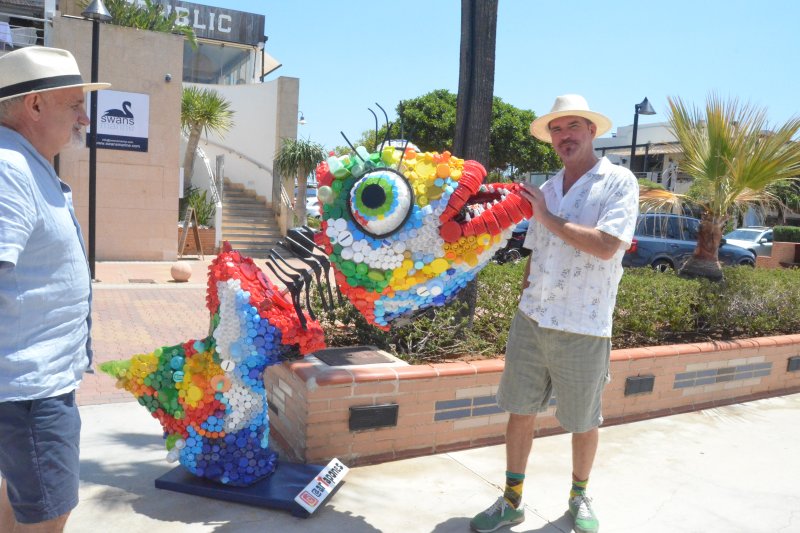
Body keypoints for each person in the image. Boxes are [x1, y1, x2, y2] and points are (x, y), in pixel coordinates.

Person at [470, 94, 639, 533]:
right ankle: (512, 500)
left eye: (573, 128)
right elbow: (534, 252)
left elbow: (605, 247)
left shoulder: (618, 182)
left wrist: (543, 216)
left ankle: (579, 498)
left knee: (583, 420)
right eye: (557, 130)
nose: (564, 137)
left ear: (592, 131)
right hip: (532, 320)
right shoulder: (545, 189)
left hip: (583, 325)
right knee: (520, 410)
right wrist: (525, 292)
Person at [0, 46, 109, 532]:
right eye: (73, 105)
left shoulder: (26, 163)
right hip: (29, 392)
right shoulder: (10, 170)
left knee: (19, 503)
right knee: (47, 516)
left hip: (29, 386)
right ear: (35, 105)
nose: (84, 117)